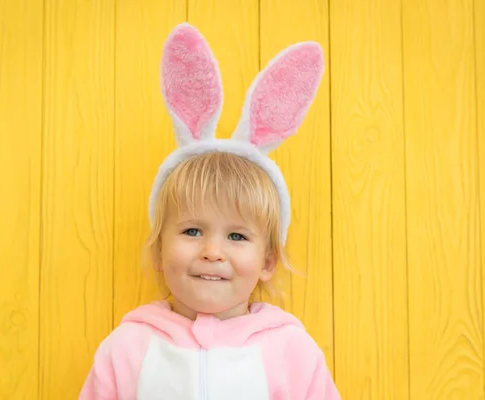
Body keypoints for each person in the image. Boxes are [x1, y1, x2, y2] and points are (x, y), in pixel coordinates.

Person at [79, 22, 341, 400]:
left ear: (268, 259)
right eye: (192, 231)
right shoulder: (126, 349)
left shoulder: (292, 353)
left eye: (236, 236)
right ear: (158, 251)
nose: (212, 251)